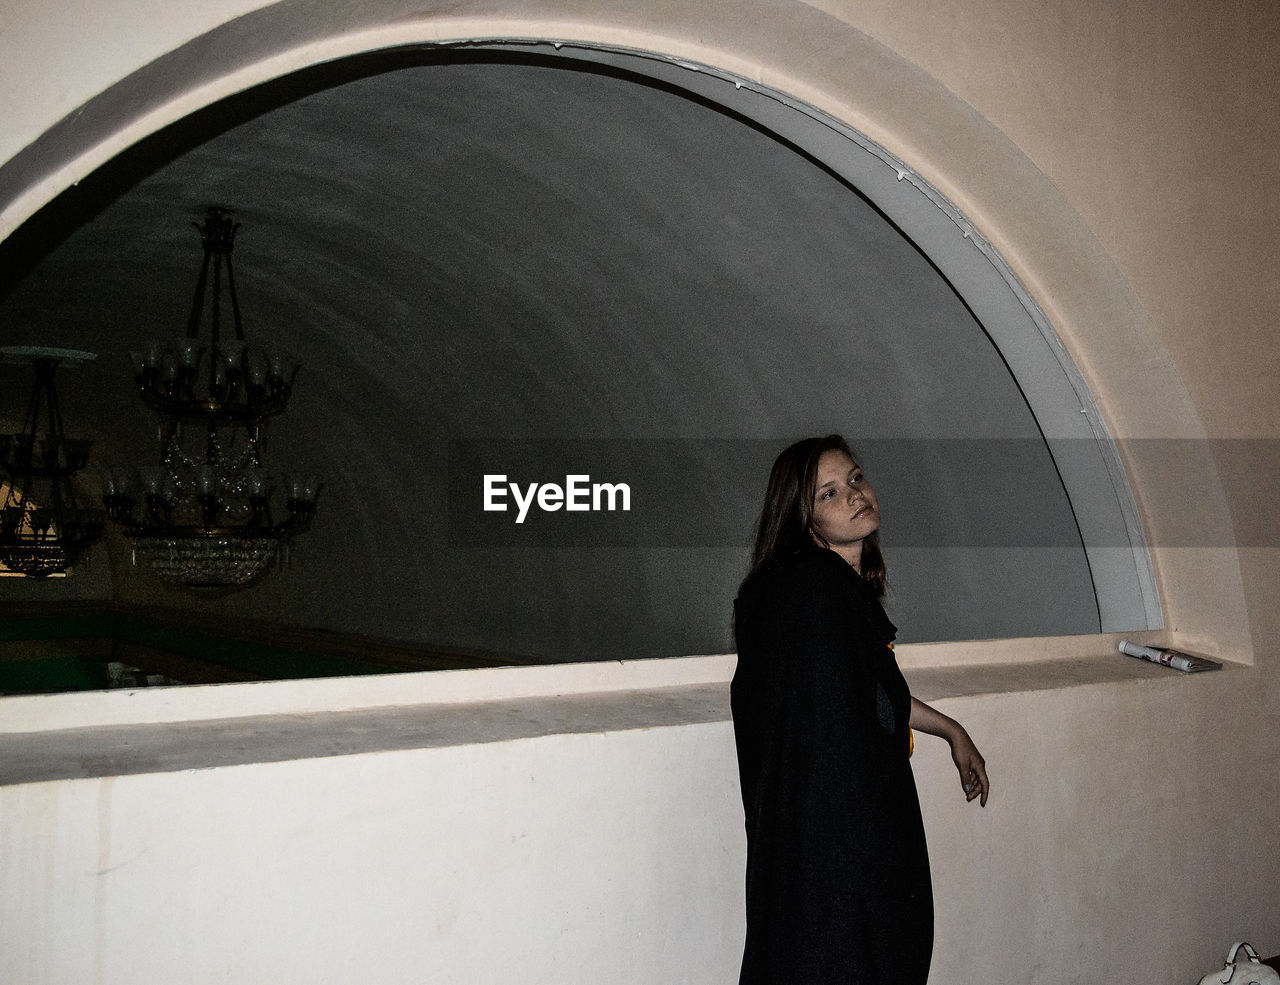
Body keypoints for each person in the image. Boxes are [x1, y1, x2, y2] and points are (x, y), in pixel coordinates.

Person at [731, 434, 990, 985]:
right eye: (828, 494)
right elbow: (835, 714)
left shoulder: (829, 593)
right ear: (803, 520)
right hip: (840, 839)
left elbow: (870, 693)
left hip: (834, 835)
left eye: (853, 478)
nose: (853, 494)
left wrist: (950, 730)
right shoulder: (813, 591)